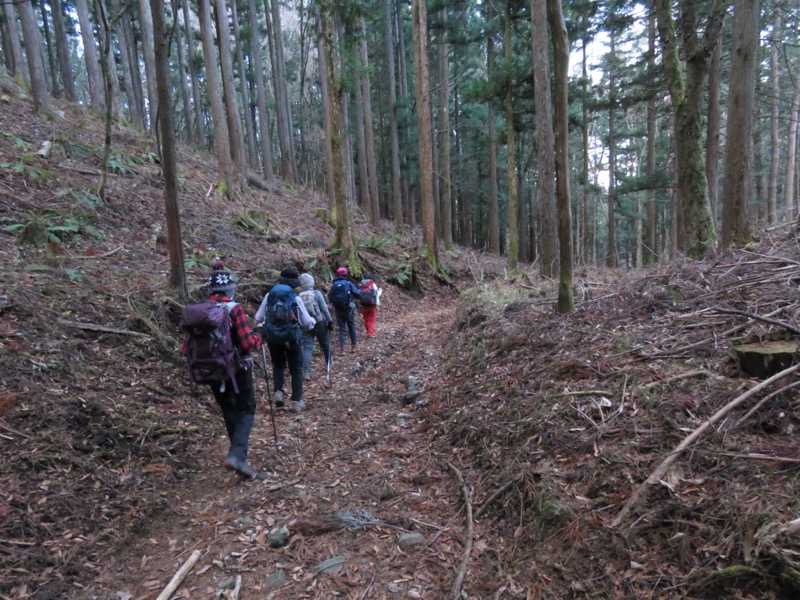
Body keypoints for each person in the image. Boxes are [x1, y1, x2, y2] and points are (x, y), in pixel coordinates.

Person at [183, 262, 265, 480]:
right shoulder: (234, 309)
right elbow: (247, 344)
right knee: (246, 408)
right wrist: (260, 335)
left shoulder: (200, 312)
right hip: (237, 370)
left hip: (210, 370)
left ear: (209, 289)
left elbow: (185, 348)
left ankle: (237, 458)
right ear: (230, 288)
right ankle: (237, 456)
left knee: (229, 410)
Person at [255, 267, 316, 412]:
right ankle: (296, 401)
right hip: (291, 338)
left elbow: (258, 317)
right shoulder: (295, 298)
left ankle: (278, 393)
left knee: (278, 365)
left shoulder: (269, 295)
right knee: (295, 368)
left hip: (273, 338)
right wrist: (313, 321)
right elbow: (306, 322)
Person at [298, 272, 334, 380]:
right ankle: (329, 364)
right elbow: (324, 309)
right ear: (312, 282)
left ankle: (308, 372)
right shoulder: (317, 293)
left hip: (305, 325)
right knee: (325, 344)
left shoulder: (299, 296)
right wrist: (330, 321)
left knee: (307, 348)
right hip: (319, 323)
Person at [327, 267, 361, 352]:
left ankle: (342, 349)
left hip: (338, 309)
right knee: (351, 325)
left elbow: (330, 296)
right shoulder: (348, 283)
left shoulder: (334, 284)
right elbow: (357, 293)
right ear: (346, 274)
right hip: (349, 308)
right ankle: (354, 346)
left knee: (341, 328)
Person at [358, 272, 383, 338]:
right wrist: (380, 291)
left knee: (366, 319)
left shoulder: (361, 285)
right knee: (372, 319)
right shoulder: (373, 285)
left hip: (363, 305)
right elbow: (376, 295)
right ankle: (370, 334)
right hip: (372, 305)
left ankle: (368, 331)